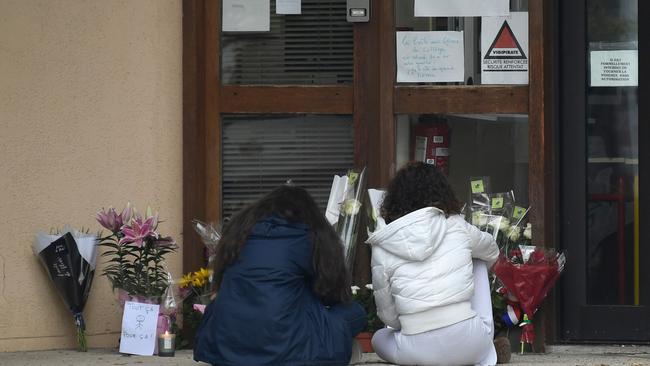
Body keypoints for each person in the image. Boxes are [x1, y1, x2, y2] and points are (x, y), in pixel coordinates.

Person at [194, 185, 366, 366]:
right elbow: (334, 293)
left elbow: (220, 288)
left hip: (226, 347)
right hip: (288, 348)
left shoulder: (238, 233)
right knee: (356, 313)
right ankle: (340, 350)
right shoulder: (311, 235)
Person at [366, 162, 499, 366]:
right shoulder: (456, 225)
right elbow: (492, 250)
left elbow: (389, 317)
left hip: (416, 350)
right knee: (479, 259)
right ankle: (485, 333)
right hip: (471, 343)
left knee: (378, 339)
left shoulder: (383, 244)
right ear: (441, 193)